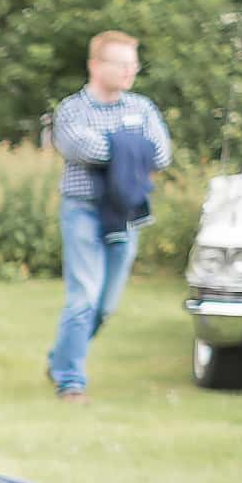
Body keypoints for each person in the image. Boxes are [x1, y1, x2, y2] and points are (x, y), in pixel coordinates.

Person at [44, 31, 171, 399]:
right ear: (95, 66)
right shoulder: (72, 109)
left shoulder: (142, 108)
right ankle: (70, 380)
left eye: (134, 64)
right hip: (83, 212)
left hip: (126, 215)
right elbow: (79, 147)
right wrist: (132, 147)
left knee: (104, 305)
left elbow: (161, 154)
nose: (130, 71)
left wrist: (119, 148)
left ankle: (59, 358)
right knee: (82, 298)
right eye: (122, 63)